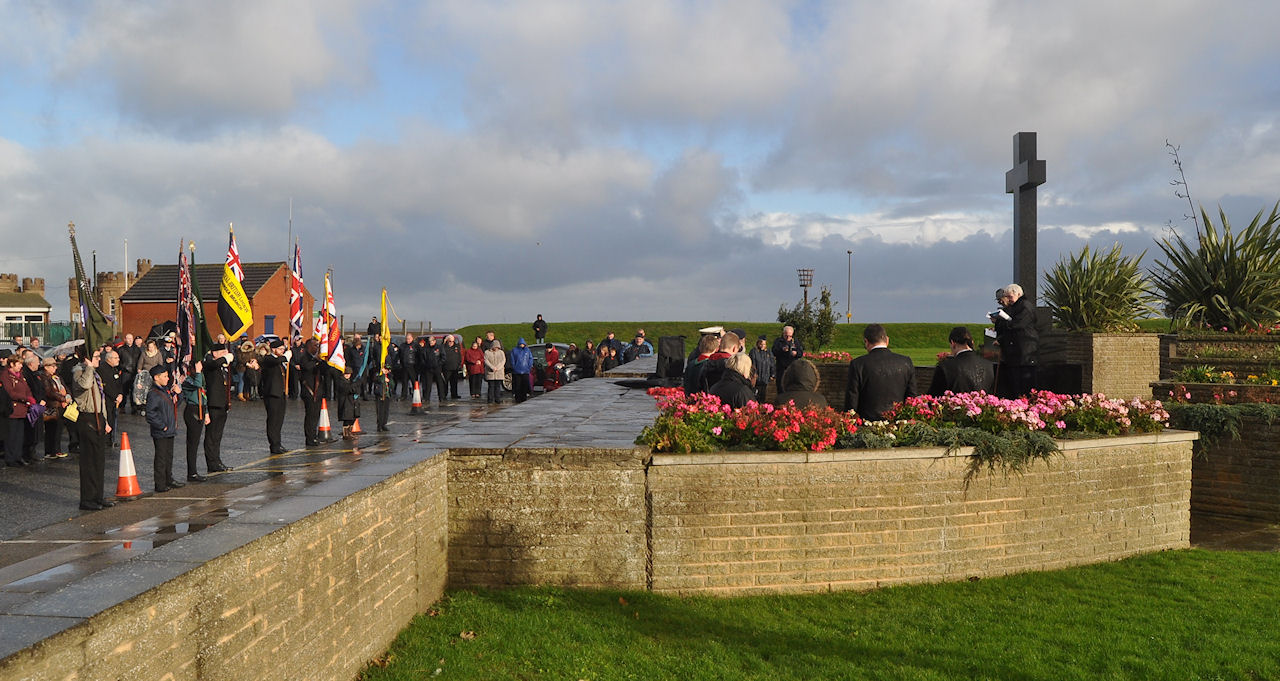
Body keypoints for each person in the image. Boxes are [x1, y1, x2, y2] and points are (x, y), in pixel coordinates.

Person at [844, 324, 918, 420]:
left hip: (867, 425)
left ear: (866, 342)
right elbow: (911, 397)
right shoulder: (905, 362)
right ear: (887, 340)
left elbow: (852, 399)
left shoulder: (858, 364)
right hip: (897, 423)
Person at [72, 348, 114, 509]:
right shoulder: (78, 371)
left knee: (99, 460)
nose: (99, 359)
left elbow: (101, 398)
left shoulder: (95, 373)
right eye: (96, 357)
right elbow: (84, 385)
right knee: (89, 461)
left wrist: (106, 421)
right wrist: (88, 367)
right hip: (87, 418)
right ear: (87, 359)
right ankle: (87, 499)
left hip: (98, 418)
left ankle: (98, 496)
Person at [990, 283, 1039, 398]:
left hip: (1025, 353)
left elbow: (1018, 324)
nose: (1008, 300)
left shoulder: (1025, 307)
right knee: (1015, 385)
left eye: (1010, 297)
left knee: (1024, 386)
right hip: (1016, 353)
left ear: (1018, 294)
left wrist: (1003, 322)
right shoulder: (1016, 307)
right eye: (1006, 297)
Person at [145, 364, 184, 492]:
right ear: (156, 378)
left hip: (170, 430)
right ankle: (160, 483)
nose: (168, 379)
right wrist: (162, 426)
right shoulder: (154, 394)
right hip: (161, 431)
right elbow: (150, 414)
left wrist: (180, 394)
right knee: (161, 458)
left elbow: (174, 404)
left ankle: (169, 479)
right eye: (165, 376)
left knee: (169, 456)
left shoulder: (165, 390)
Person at [929, 326, 996, 396]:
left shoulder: (945, 366)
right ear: (971, 342)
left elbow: (933, 397)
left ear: (953, 343)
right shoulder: (988, 364)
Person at [201, 345, 234, 472]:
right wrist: (225, 358)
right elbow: (213, 365)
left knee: (218, 436)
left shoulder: (221, 365)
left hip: (222, 404)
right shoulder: (209, 362)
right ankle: (212, 463)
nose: (226, 353)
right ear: (214, 353)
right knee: (211, 436)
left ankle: (217, 460)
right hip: (213, 404)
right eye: (223, 352)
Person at [180, 360, 209, 481]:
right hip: (192, 411)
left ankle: (193, 471)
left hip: (201, 409)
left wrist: (206, 413)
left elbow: (203, 394)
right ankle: (191, 473)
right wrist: (197, 372)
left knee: (196, 442)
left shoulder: (199, 377)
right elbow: (197, 385)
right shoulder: (187, 380)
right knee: (192, 443)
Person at [3, 355, 34, 466]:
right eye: (19, 364)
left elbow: (27, 389)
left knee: (19, 435)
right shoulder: (6, 375)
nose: (21, 366)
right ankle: (10, 458)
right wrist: (25, 398)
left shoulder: (21, 376)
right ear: (12, 364)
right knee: (11, 435)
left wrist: (30, 398)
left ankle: (18, 456)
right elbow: (9, 392)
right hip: (12, 409)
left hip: (22, 409)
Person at [259, 339, 289, 454]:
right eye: (280, 349)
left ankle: (278, 443)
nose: (282, 351)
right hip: (271, 393)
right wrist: (285, 356)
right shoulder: (268, 358)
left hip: (280, 393)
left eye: (283, 349)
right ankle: (274, 444)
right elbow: (275, 361)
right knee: (273, 420)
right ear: (274, 349)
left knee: (279, 420)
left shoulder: (279, 361)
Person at [38, 357, 70, 460]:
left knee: (58, 429)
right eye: (53, 366)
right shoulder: (45, 378)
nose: (55, 368)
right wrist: (63, 398)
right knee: (52, 429)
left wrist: (68, 395)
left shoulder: (56, 377)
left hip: (60, 405)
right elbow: (49, 392)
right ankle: (51, 451)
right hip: (52, 406)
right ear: (46, 367)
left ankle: (56, 449)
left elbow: (65, 387)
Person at [293, 339, 323, 445]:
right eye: (315, 345)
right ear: (309, 346)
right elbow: (307, 367)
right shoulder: (304, 357)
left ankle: (314, 435)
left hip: (318, 391)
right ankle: (309, 438)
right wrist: (317, 361)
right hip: (309, 391)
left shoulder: (318, 359)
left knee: (316, 415)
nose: (317, 347)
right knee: (310, 415)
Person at [97, 349, 124, 446]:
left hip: (116, 399)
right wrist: (115, 396)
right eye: (116, 358)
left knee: (112, 418)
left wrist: (120, 394)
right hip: (107, 399)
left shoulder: (115, 369)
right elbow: (105, 386)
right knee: (107, 418)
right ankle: (105, 439)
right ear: (109, 359)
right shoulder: (102, 369)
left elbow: (119, 383)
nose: (118, 360)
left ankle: (111, 439)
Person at [329, 364, 358, 440]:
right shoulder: (341, 381)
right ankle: (346, 434)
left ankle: (349, 432)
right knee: (347, 418)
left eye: (349, 374)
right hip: (345, 402)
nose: (347, 375)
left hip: (351, 402)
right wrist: (353, 387)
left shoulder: (350, 381)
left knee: (352, 418)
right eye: (346, 374)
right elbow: (347, 389)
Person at [772, 325, 804, 390]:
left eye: (790, 336)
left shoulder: (795, 342)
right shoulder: (778, 341)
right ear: (783, 334)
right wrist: (782, 350)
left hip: (792, 369)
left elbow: (801, 353)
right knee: (781, 387)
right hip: (781, 369)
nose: (788, 338)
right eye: (786, 336)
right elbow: (774, 351)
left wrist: (796, 353)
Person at [748, 335, 776, 404]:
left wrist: (773, 373)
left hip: (765, 377)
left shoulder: (768, 352)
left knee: (764, 395)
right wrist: (754, 374)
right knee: (756, 395)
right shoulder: (754, 352)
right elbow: (753, 364)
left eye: (764, 344)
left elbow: (772, 363)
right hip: (757, 378)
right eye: (761, 344)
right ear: (758, 343)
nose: (763, 346)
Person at [509, 338, 534, 403]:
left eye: (522, 344)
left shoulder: (527, 350)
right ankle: (518, 398)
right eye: (521, 344)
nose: (522, 345)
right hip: (517, 371)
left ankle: (524, 397)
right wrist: (514, 367)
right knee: (517, 385)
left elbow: (530, 359)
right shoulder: (514, 350)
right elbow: (512, 360)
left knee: (524, 385)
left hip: (525, 371)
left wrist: (529, 367)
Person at [371, 360, 391, 431]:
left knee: (386, 411)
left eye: (388, 370)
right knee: (380, 411)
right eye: (386, 369)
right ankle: (379, 425)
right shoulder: (378, 374)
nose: (387, 371)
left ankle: (384, 424)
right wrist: (383, 376)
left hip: (387, 395)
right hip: (380, 395)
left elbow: (392, 384)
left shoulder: (389, 376)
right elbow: (378, 380)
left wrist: (389, 379)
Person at [483, 339, 505, 404]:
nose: (496, 348)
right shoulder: (487, 352)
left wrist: (497, 368)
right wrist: (492, 367)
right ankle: (490, 399)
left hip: (499, 372)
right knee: (491, 386)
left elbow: (503, 361)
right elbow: (486, 360)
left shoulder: (501, 352)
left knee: (498, 386)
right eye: (495, 347)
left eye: (497, 347)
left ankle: (497, 399)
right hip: (490, 372)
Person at [397, 332, 417, 400]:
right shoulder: (402, 345)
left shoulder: (415, 345)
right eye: (407, 339)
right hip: (404, 366)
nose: (408, 340)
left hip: (412, 366)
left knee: (414, 382)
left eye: (409, 339)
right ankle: (403, 396)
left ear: (412, 338)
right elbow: (399, 355)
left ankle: (416, 395)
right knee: (404, 382)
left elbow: (419, 356)